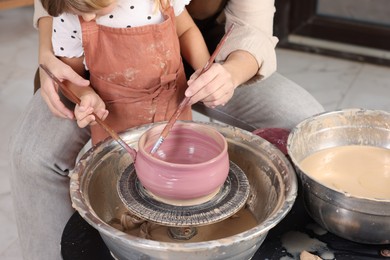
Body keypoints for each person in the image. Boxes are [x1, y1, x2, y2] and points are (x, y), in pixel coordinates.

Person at [10, 1, 325, 260]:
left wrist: (220, 72)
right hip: (105, 85)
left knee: (308, 125)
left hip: (203, 59)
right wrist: (56, 61)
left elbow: (247, 26)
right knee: (32, 156)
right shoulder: (78, 14)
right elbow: (67, 51)